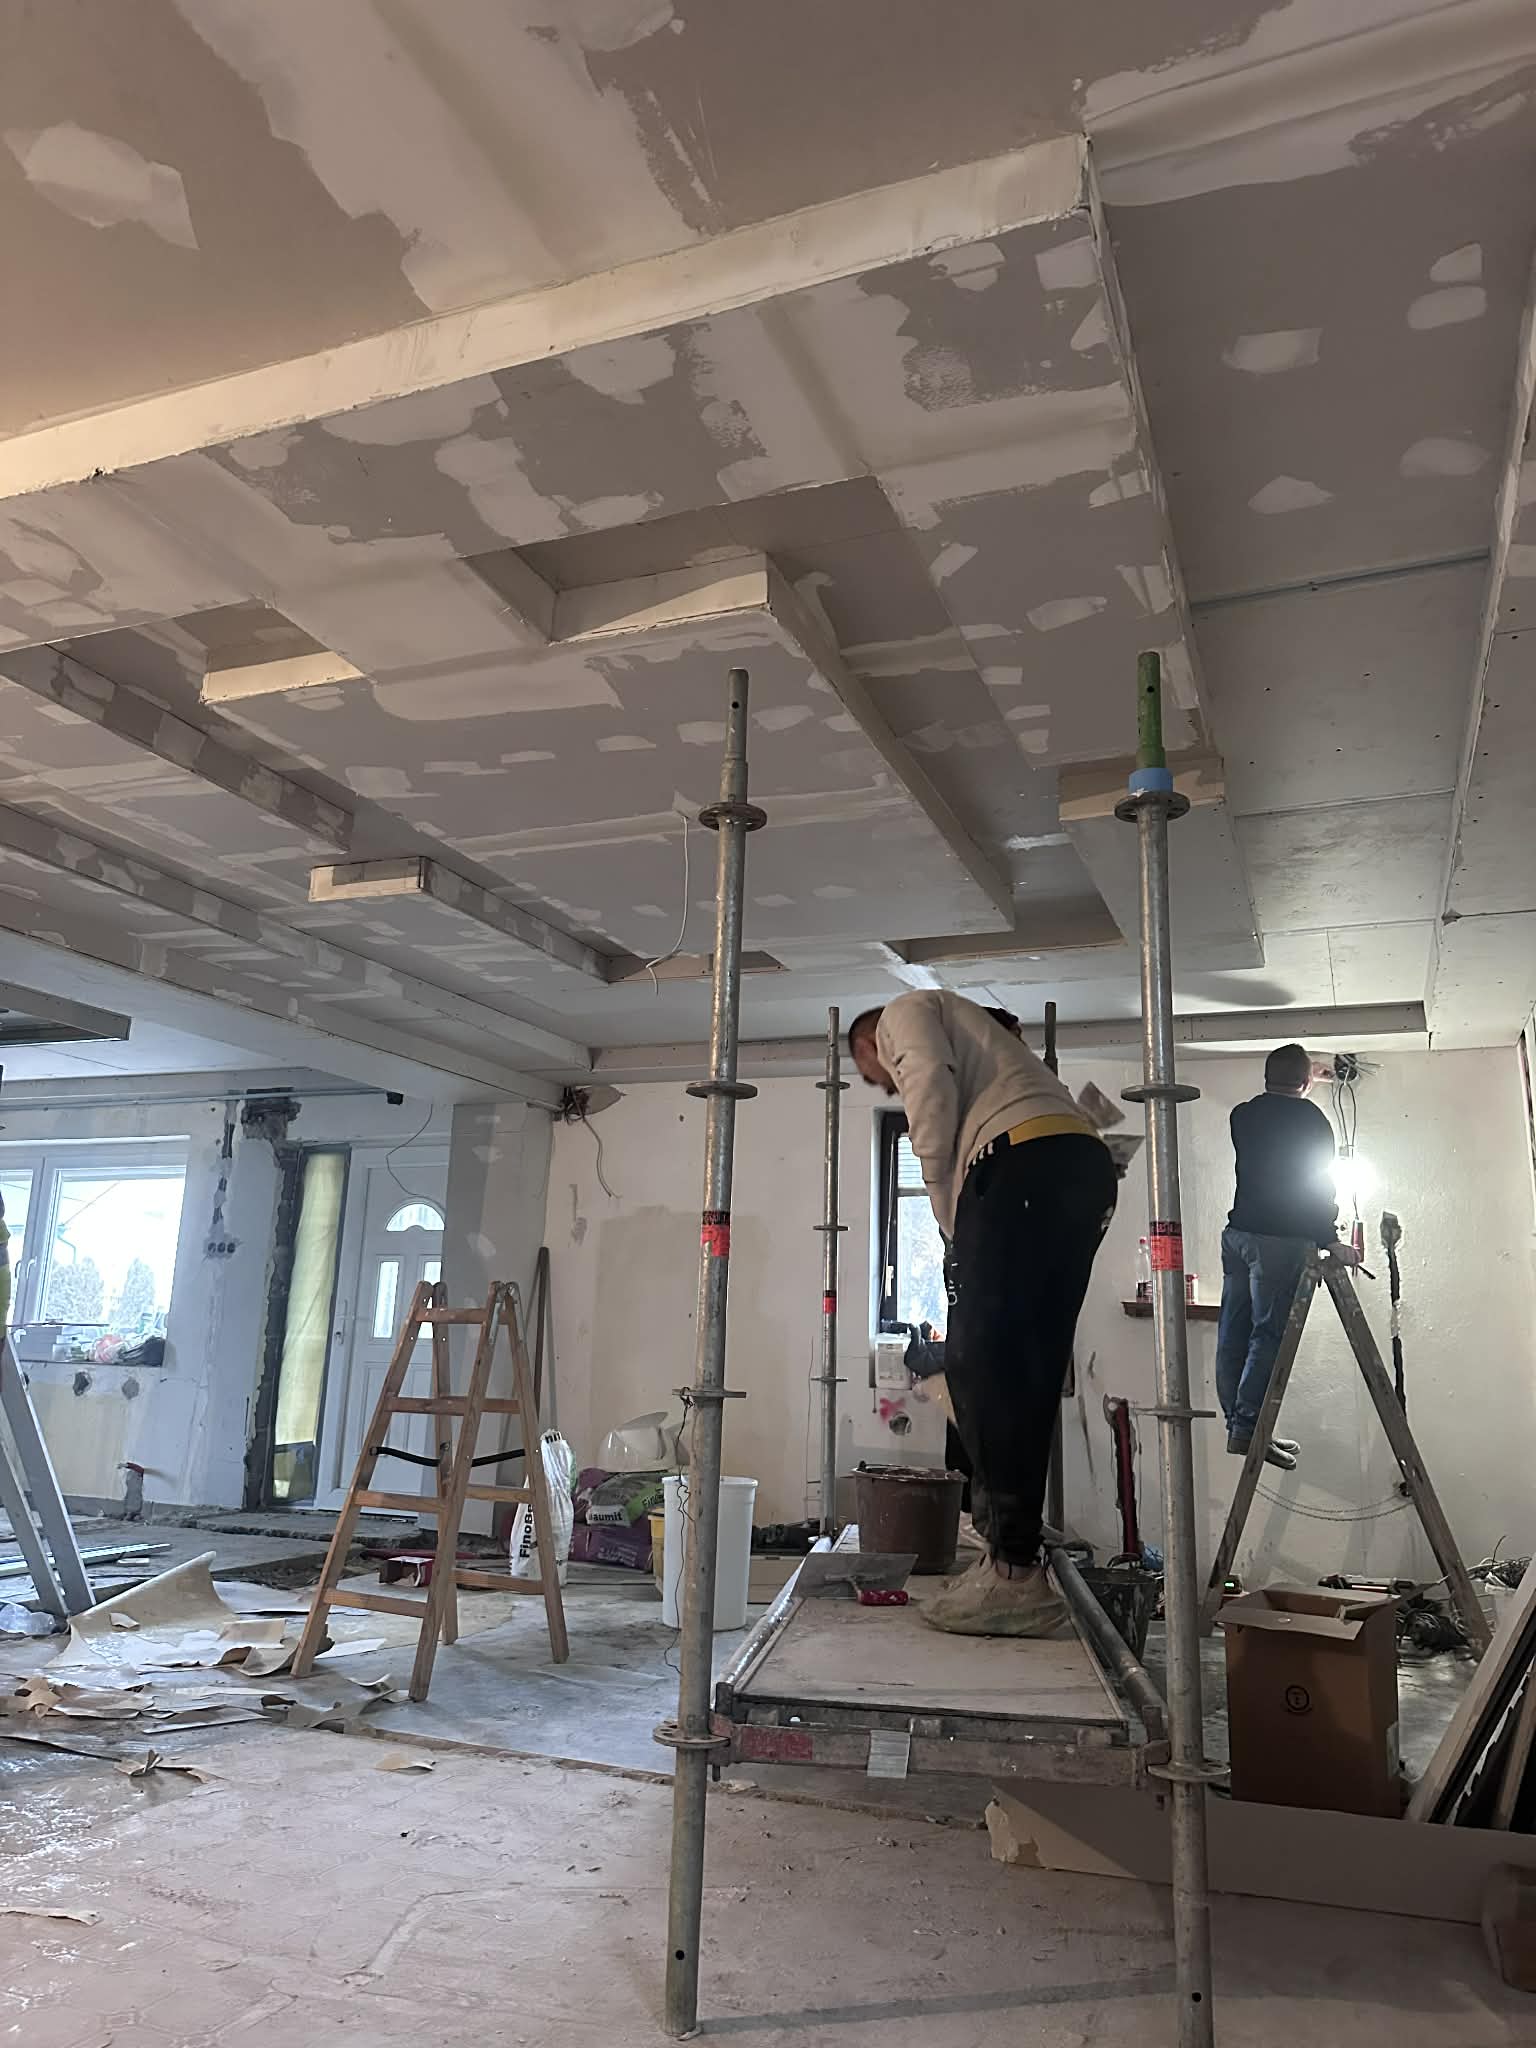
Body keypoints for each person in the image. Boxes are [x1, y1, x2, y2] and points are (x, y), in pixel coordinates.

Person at [850, 991, 1116, 1637]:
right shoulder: (999, 1060)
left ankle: (1013, 1573)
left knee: (981, 1365)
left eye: (873, 1074)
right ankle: (1010, 1557)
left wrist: (948, 1217)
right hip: (1075, 1166)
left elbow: (928, 1086)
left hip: (1019, 1167)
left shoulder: (903, 1012)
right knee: (1026, 1368)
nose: (883, 1083)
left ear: (867, 1043)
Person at [1215, 1043, 1359, 1469]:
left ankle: (1240, 1424)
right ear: (1305, 1081)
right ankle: (1249, 1429)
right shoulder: (1313, 1121)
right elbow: (1317, 1186)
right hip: (1278, 1242)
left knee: (1234, 1331)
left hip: (1238, 1236)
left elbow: (1274, 1123)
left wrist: (1302, 1080)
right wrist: (1329, 1237)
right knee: (1268, 1336)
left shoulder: (1242, 1115)